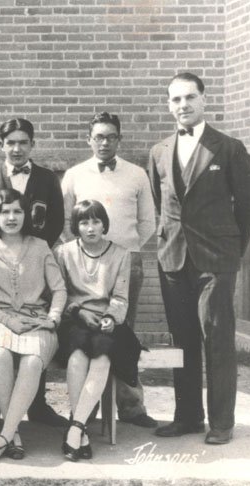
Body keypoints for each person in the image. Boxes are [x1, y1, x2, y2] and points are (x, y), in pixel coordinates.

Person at [149, 72, 250, 445]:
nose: (184, 105)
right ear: (169, 105)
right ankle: (188, 416)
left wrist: (232, 250)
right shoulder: (159, 151)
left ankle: (222, 422)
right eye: (176, 99)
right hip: (174, 258)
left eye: (190, 97)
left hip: (216, 260)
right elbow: (160, 202)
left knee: (217, 338)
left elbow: (248, 206)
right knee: (181, 341)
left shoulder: (228, 148)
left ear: (204, 100)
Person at [61, 112, 158, 429]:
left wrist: (123, 252)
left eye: (111, 136)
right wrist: (85, 254)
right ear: (89, 139)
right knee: (86, 335)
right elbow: (66, 222)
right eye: (99, 136)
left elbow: (147, 224)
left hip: (126, 262)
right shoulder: (74, 175)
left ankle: (131, 406)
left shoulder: (136, 175)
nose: (104, 142)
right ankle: (84, 408)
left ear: (119, 139)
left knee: (121, 331)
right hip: (85, 265)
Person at [0, 118, 66, 428]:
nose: (16, 148)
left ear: (32, 145)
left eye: (23, 142)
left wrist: (32, 254)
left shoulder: (47, 178)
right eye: (10, 142)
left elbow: (55, 221)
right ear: (2, 145)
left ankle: (36, 406)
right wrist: (1, 251)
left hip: (33, 262)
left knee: (33, 344)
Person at [0, 189, 66, 461]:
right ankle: (12, 434)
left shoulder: (39, 246)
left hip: (36, 319)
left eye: (17, 211)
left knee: (33, 361)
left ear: (26, 215)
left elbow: (59, 289)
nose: (11, 217)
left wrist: (54, 317)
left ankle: (4, 435)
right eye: (5, 212)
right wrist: (7, 320)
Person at [55, 200, 144, 461]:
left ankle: (76, 428)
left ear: (104, 224)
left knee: (103, 352)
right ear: (76, 226)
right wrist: (77, 311)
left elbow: (120, 297)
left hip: (107, 320)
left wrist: (110, 317)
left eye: (96, 221)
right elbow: (58, 293)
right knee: (78, 352)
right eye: (84, 222)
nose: (91, 228)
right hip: (74, 318)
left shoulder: (121, 254)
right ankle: (80, 428)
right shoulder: (63, 253)